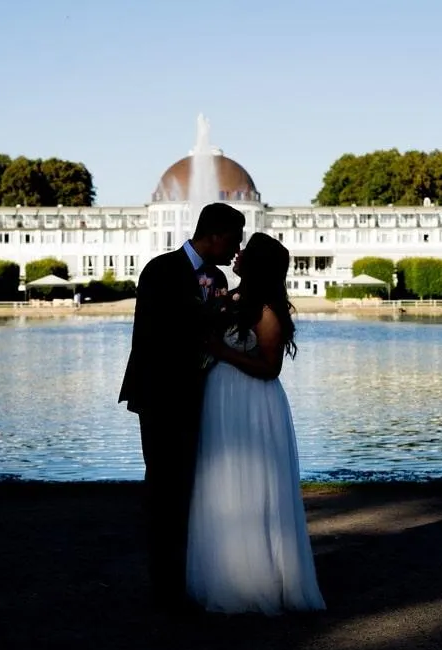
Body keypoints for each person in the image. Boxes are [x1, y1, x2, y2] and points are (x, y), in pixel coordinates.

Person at [186, 232, 326, 615]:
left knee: (252, 482)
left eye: (245, 250)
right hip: (223, 398)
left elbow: (270, 368)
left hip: (251, 400)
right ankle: (228, 571)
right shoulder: (232, 300)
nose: (238, 252)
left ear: (257, 263)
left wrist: (221, 352)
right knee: (224, 480)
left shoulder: (266, 310)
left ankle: (258, 579)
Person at [119, 202, 246, 614]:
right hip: (160, 393)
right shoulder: (161, 270)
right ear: (213, 234)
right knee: (164, 486)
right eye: (233, 239)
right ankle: (165, 587)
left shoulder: (218, 277)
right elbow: (164, 331)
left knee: (190, 487)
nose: (235, 248)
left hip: (196, 395)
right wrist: (218, 310)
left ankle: (186, 576)